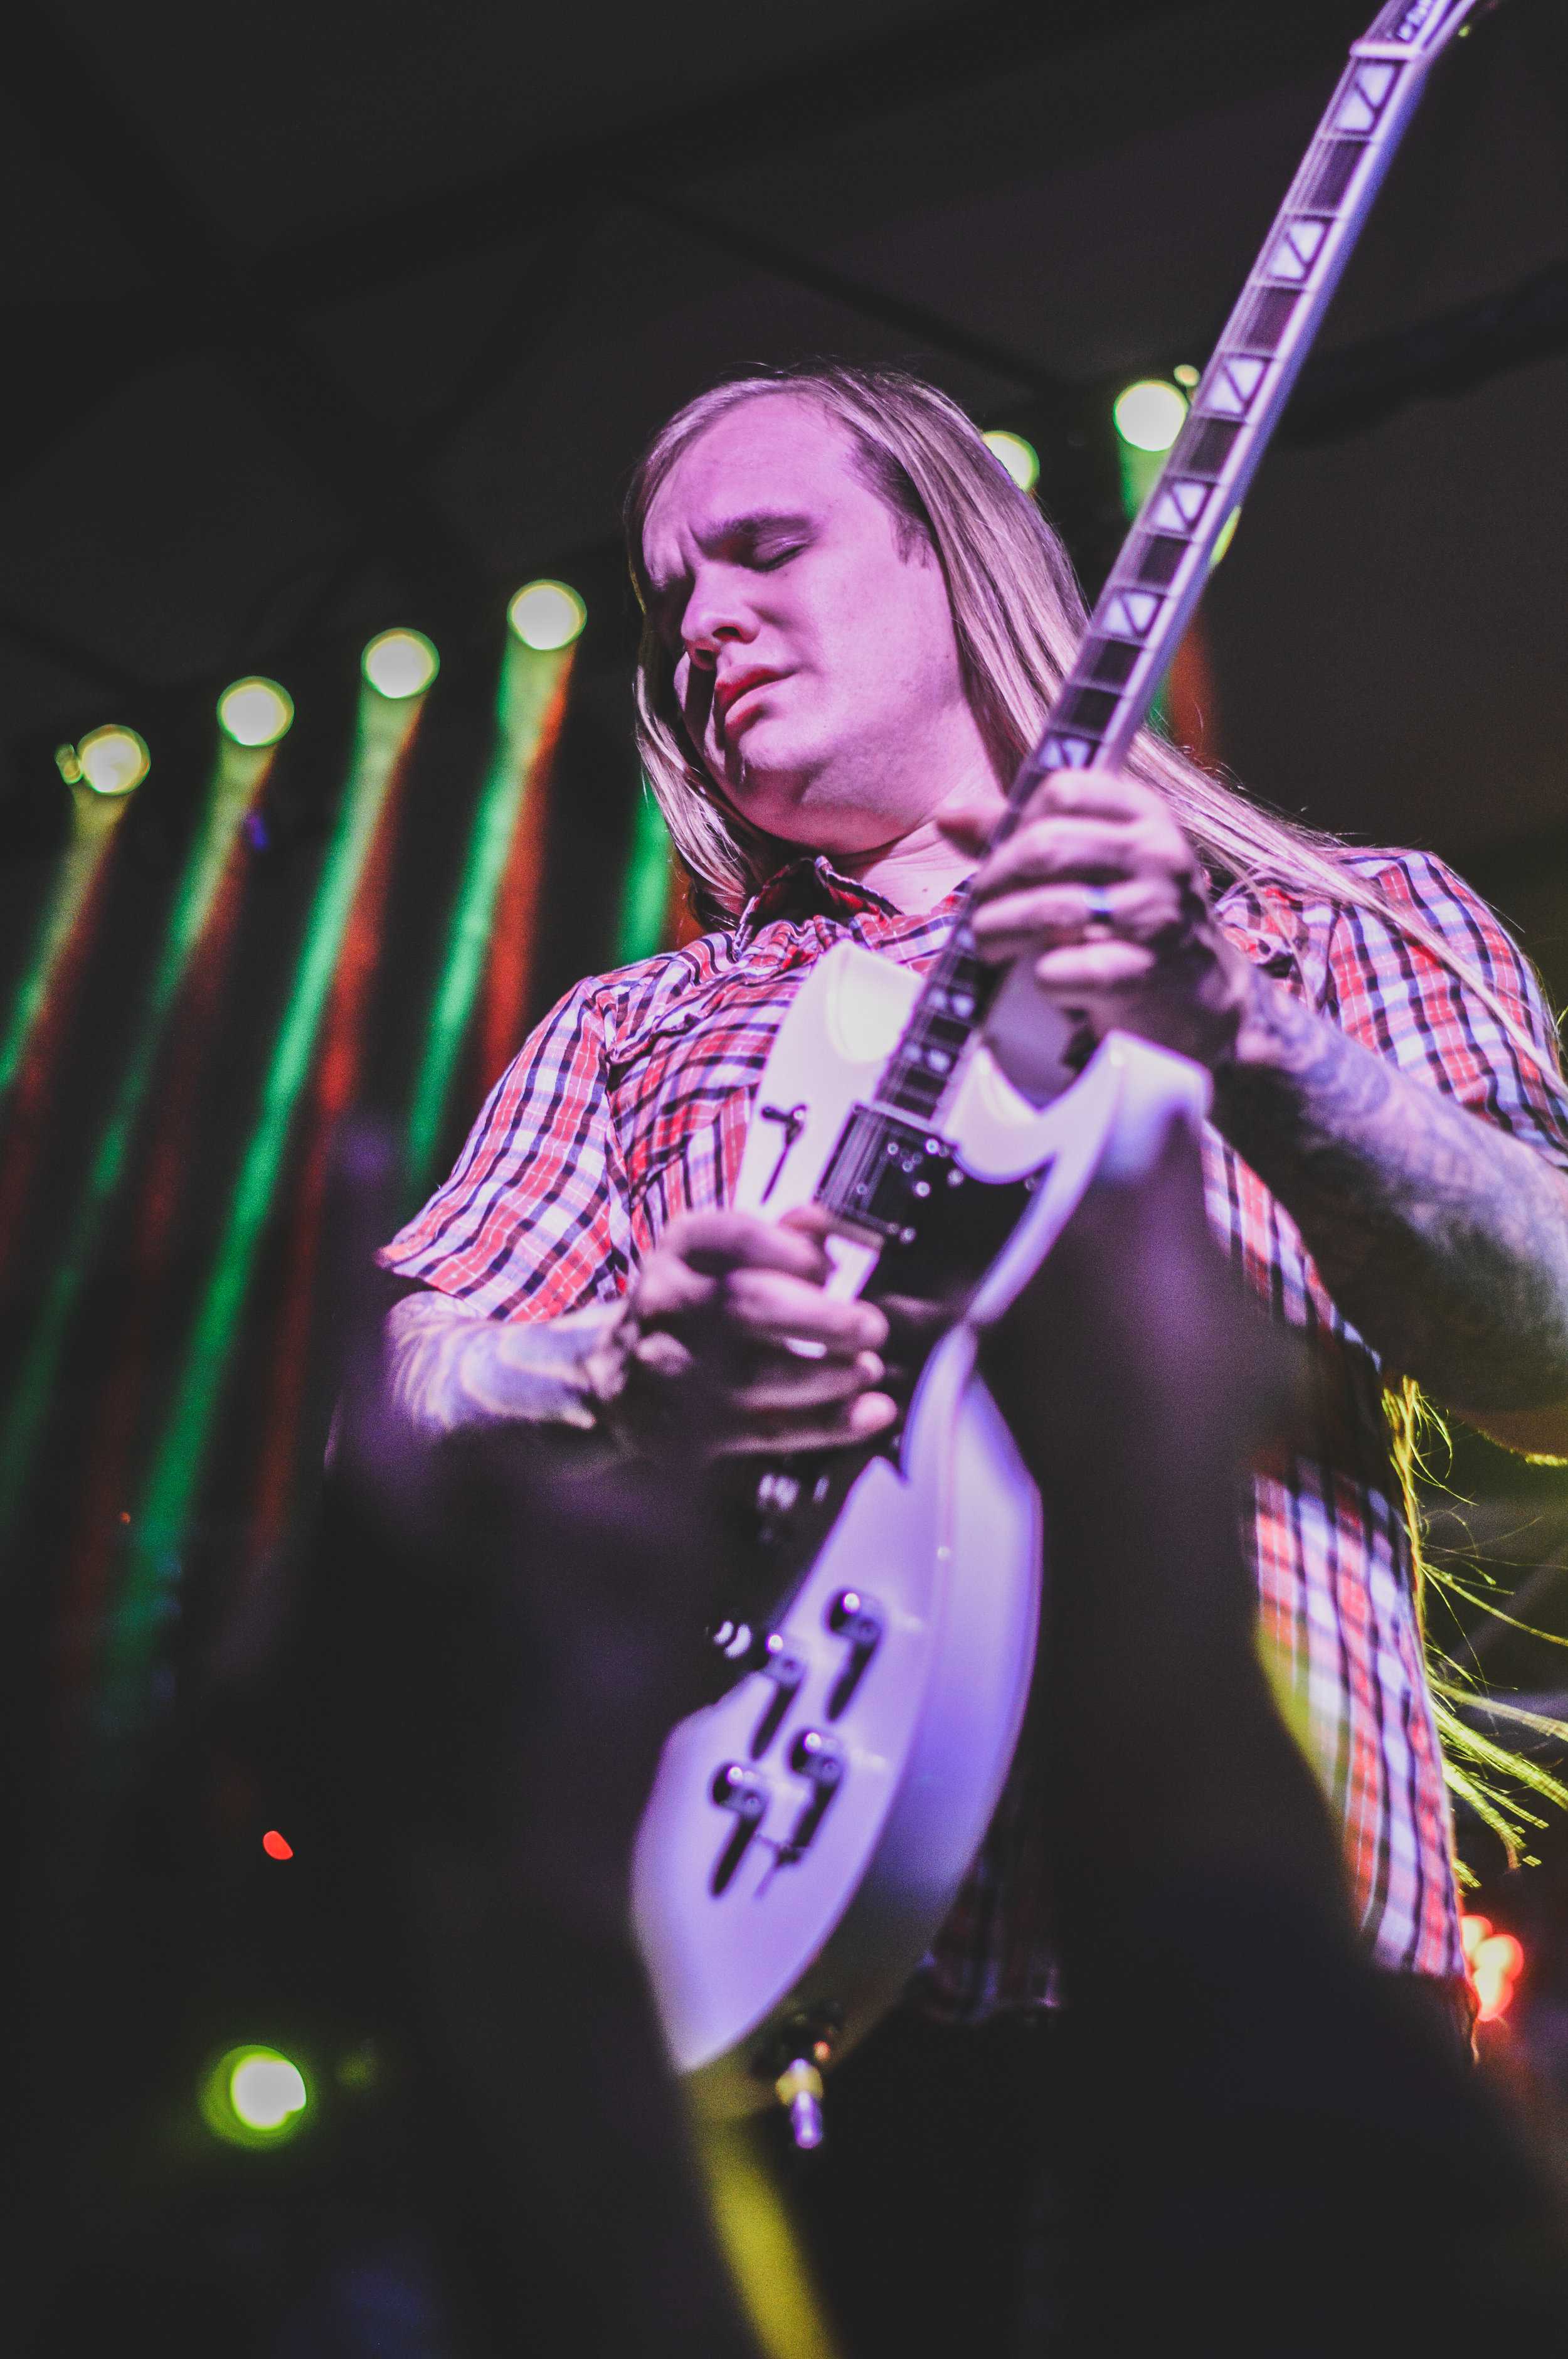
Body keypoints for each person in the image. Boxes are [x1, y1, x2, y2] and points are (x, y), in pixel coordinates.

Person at [374, 361, 1568, 2306]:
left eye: (764, 550)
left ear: (962, 558)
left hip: (1271, 1961)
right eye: (668, 600)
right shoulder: (632, 1031)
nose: (700, 629)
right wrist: (607, 1369)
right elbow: (401, 1421)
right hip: (777, 2020)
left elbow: (1555, 1352)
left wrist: (1247, 1041)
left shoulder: (1334, 928)